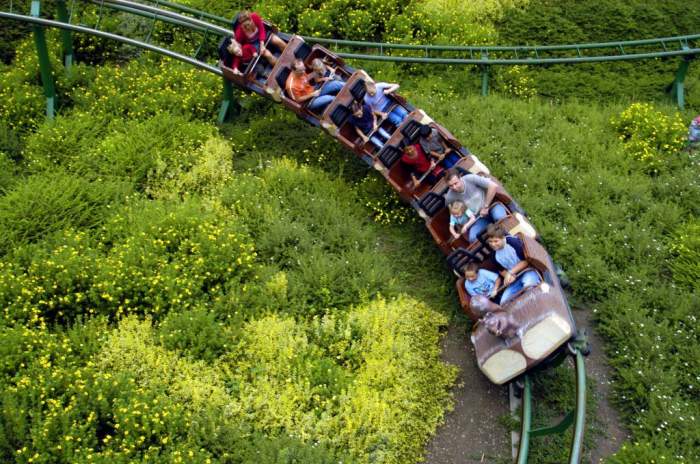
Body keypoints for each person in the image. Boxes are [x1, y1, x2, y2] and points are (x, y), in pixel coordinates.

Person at [444, 168, 508, 242]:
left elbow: (493, 186)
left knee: (500, 217)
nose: (454, 187)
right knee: (473, 238)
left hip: (491, 207)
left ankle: (509, 237)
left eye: (456, 183)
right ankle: (493, 246)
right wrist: (463, 226)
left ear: (460, 178)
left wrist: (485, 206)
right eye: (451, 186)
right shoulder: (450, 197)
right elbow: (454, 215)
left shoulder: (470, 178)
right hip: (478, 218)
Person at [484, 225, 541, 304]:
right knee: (504, 302)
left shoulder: (513, 242)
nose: (493, 244)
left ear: (503, 238)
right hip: (515, 278)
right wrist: (508, 277)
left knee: (529, 286)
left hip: (527, 271)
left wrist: (510, 272)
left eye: (496, 241)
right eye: (490, 241)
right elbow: (501, 270)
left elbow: (526, 261)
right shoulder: (494, 255)